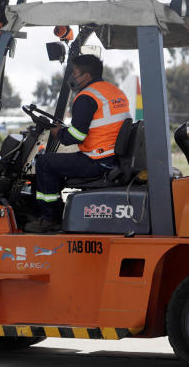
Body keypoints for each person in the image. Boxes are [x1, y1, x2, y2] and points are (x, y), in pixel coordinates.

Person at [26, 54, 131, 233]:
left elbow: (76, 136)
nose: (72, 77)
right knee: (57, 163)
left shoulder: (85, 97)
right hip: (112, 157)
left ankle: (50, 218)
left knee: (45, 163)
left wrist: (58, 133)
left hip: (97, 161)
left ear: (86, 76)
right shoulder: (113, 92)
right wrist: (64, 131)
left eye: (74, 73)